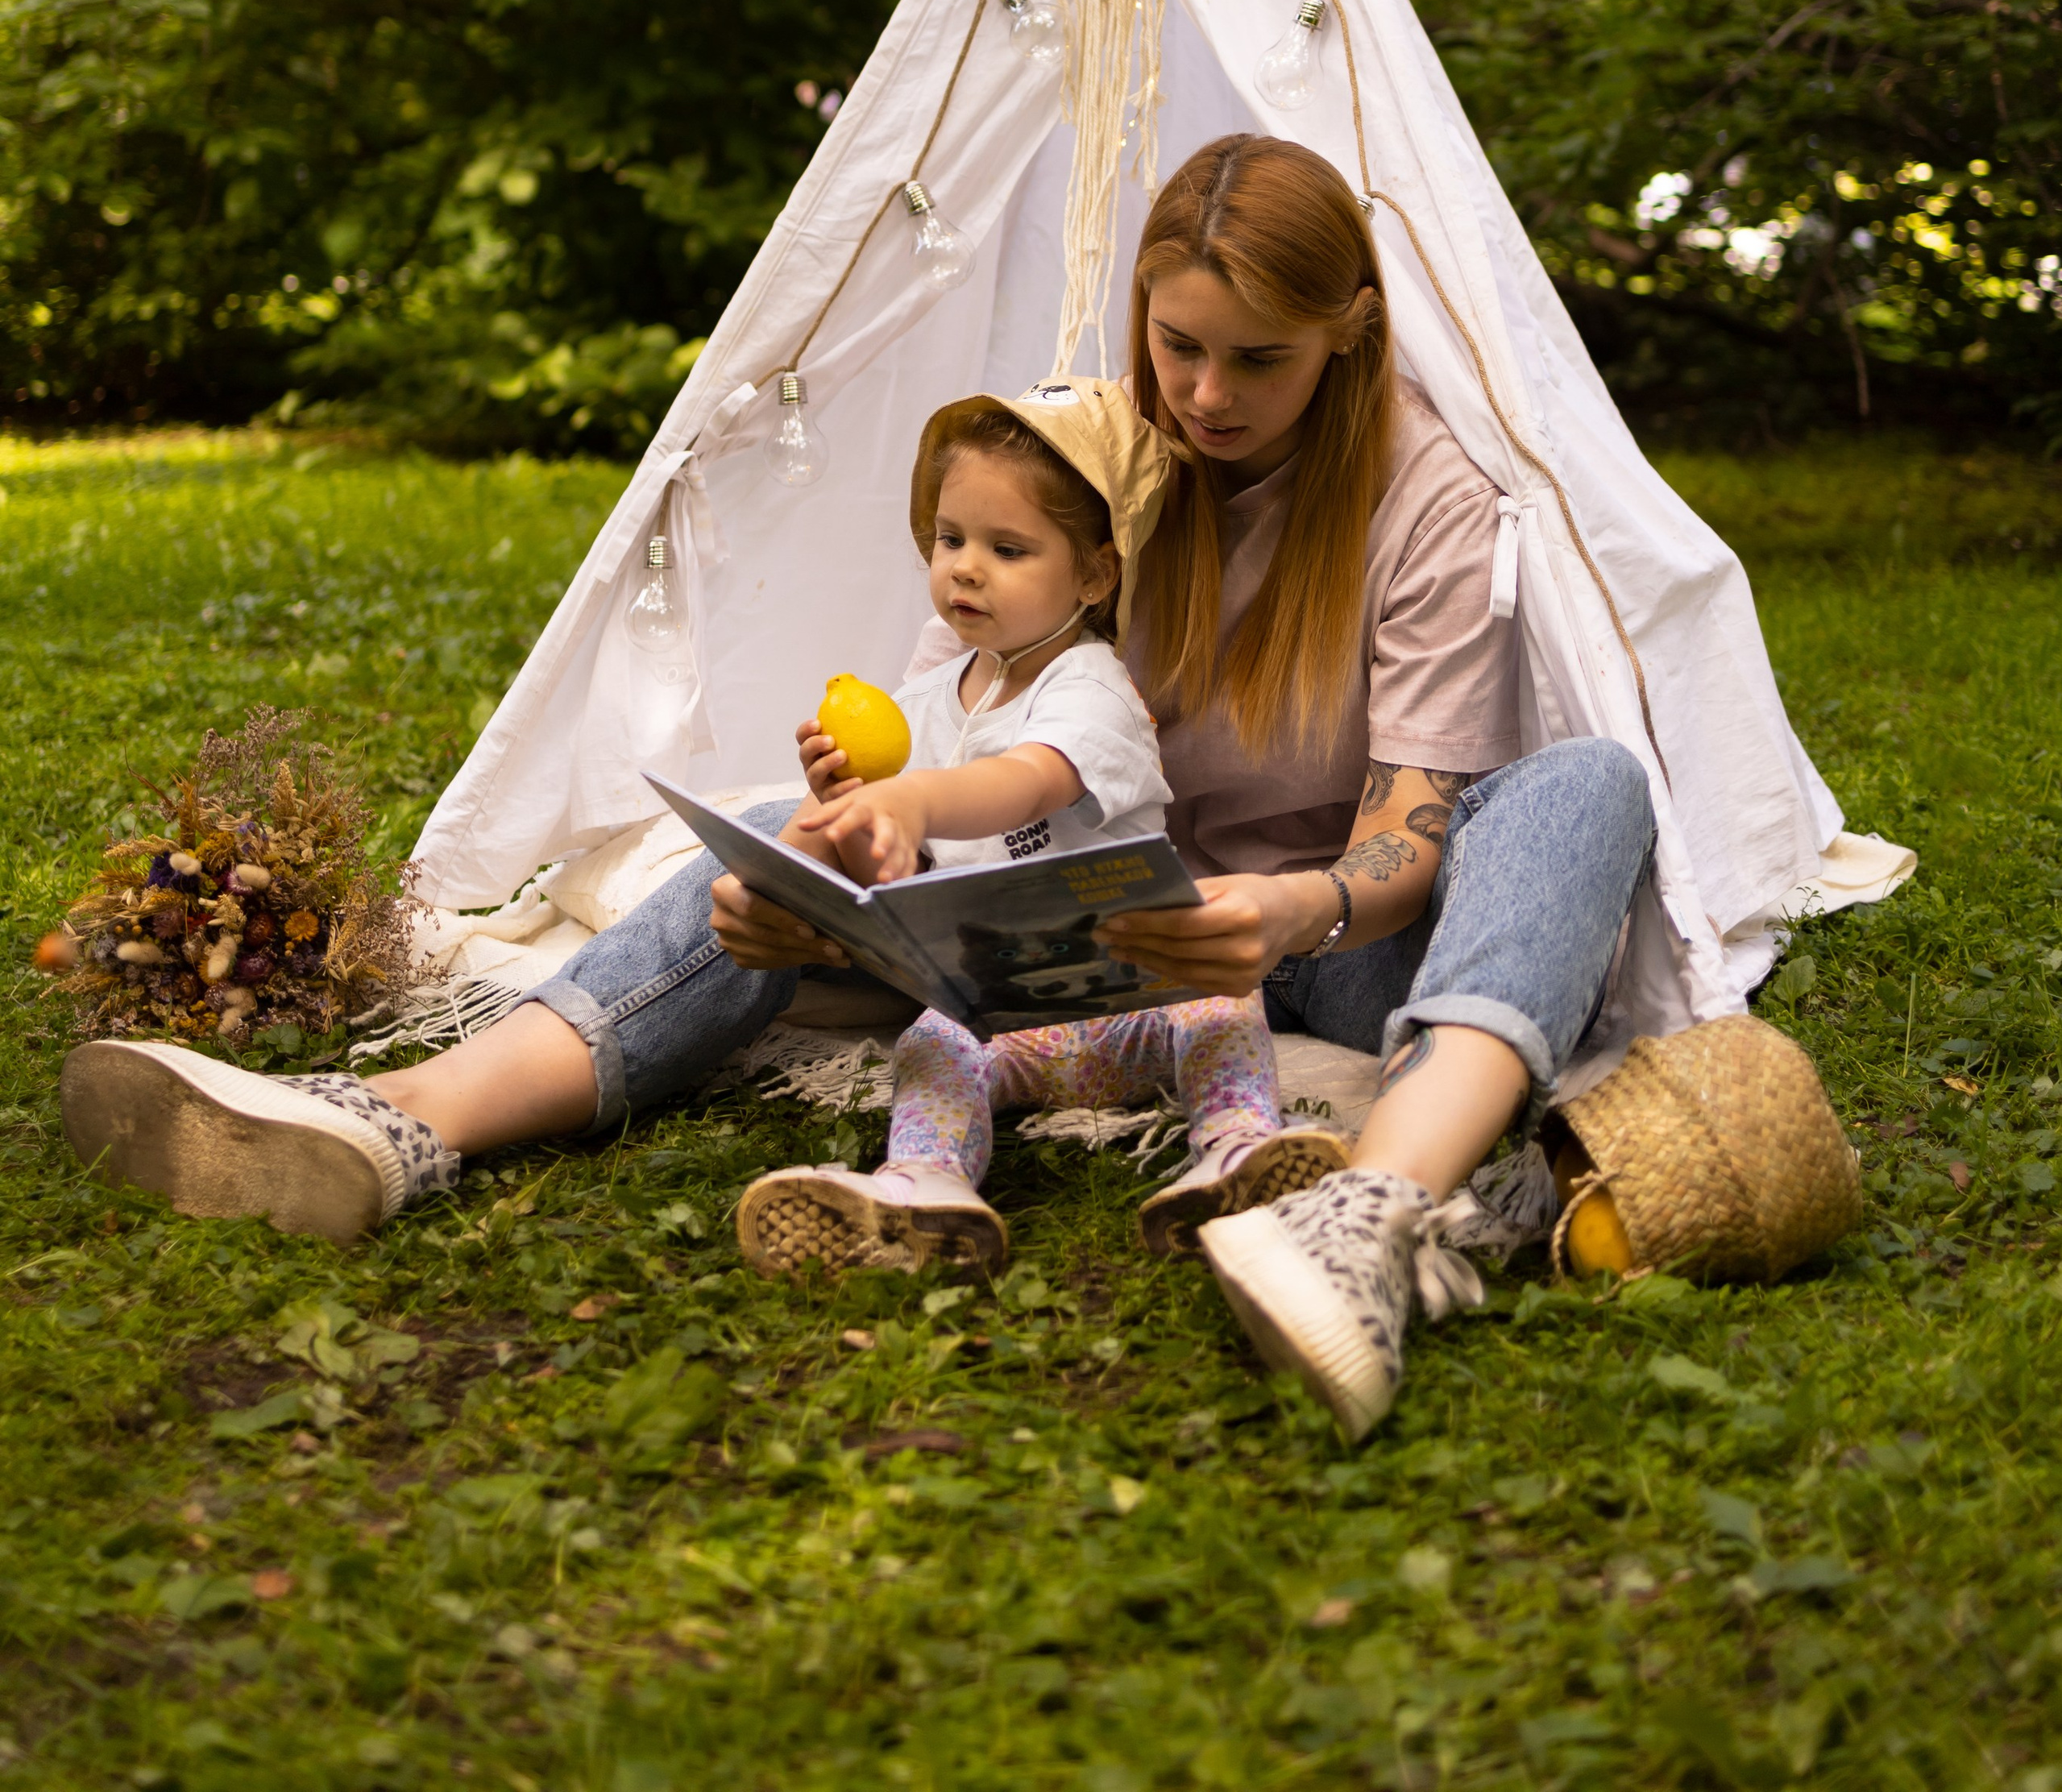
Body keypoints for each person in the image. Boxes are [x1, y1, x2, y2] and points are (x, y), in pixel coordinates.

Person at [61, 134, 1653, 1451]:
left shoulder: (1423, 497)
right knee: (772, 854)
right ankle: (401, 1125)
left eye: (1259, 361)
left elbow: (1412, 826)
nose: (1209, 394)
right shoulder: (1111, 471)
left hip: (1323, 940)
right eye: (1177, 347)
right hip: (1097, 923)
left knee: (1584, 781)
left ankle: (1366, 1219)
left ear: (1348, 336)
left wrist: (1286, 910)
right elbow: (984, 739)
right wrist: (848, 867)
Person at [732, 383, 1344, 1276]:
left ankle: (1239, 1152)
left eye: (1006, 549)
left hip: (1136, 999)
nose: (965, 568)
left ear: (1094, 577)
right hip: (1011, 1019)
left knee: (1221, 998)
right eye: (950, 540)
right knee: (934, 1042)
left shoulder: (1090, 686)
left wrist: (912, 798)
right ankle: (925, 1187)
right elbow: (892, 868)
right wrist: (845, 815)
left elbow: (1024, 784)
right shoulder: (918, 708)